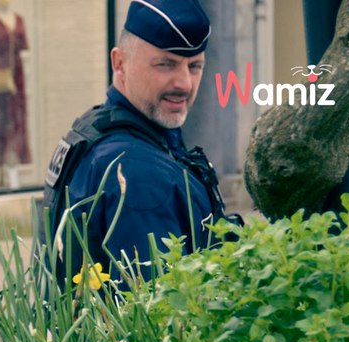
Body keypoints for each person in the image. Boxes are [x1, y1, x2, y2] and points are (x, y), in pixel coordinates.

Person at [40, 0, 236, 286]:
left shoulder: (99, 128)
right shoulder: (137, 172)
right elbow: (160, 313)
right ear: (120, 64)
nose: (184, 83)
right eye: (165, 64)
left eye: (194, 66)